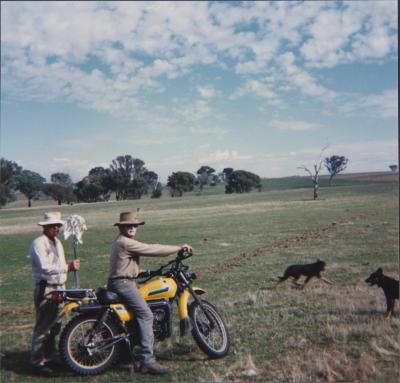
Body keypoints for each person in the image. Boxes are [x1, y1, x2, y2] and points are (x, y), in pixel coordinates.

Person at [107, 211, 192, 375]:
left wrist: (143, 271)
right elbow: (152, 249)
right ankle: (147, 361)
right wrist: (178, 248)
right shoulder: (125, 242)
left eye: (134, 225)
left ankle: (127, 350)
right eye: (128, 226)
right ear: (121, 227)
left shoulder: (121, 242)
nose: (132, 228)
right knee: (146, 315)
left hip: (123, 281)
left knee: (136, 313)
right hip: (123, 284)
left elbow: (125, 264)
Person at [28, 212, 80, 376]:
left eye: (58, 225)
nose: (55, 228)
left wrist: (67, 272)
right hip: (47, 289)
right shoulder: (38, 243)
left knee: (56, 326)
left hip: (59, 288)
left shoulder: (57, 242)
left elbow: (59, 265)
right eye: (52, 225)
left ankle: (50, 356)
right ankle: (37, 362)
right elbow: (45, 267)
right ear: (44, 226)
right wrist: (68, 267)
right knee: (43, 327)